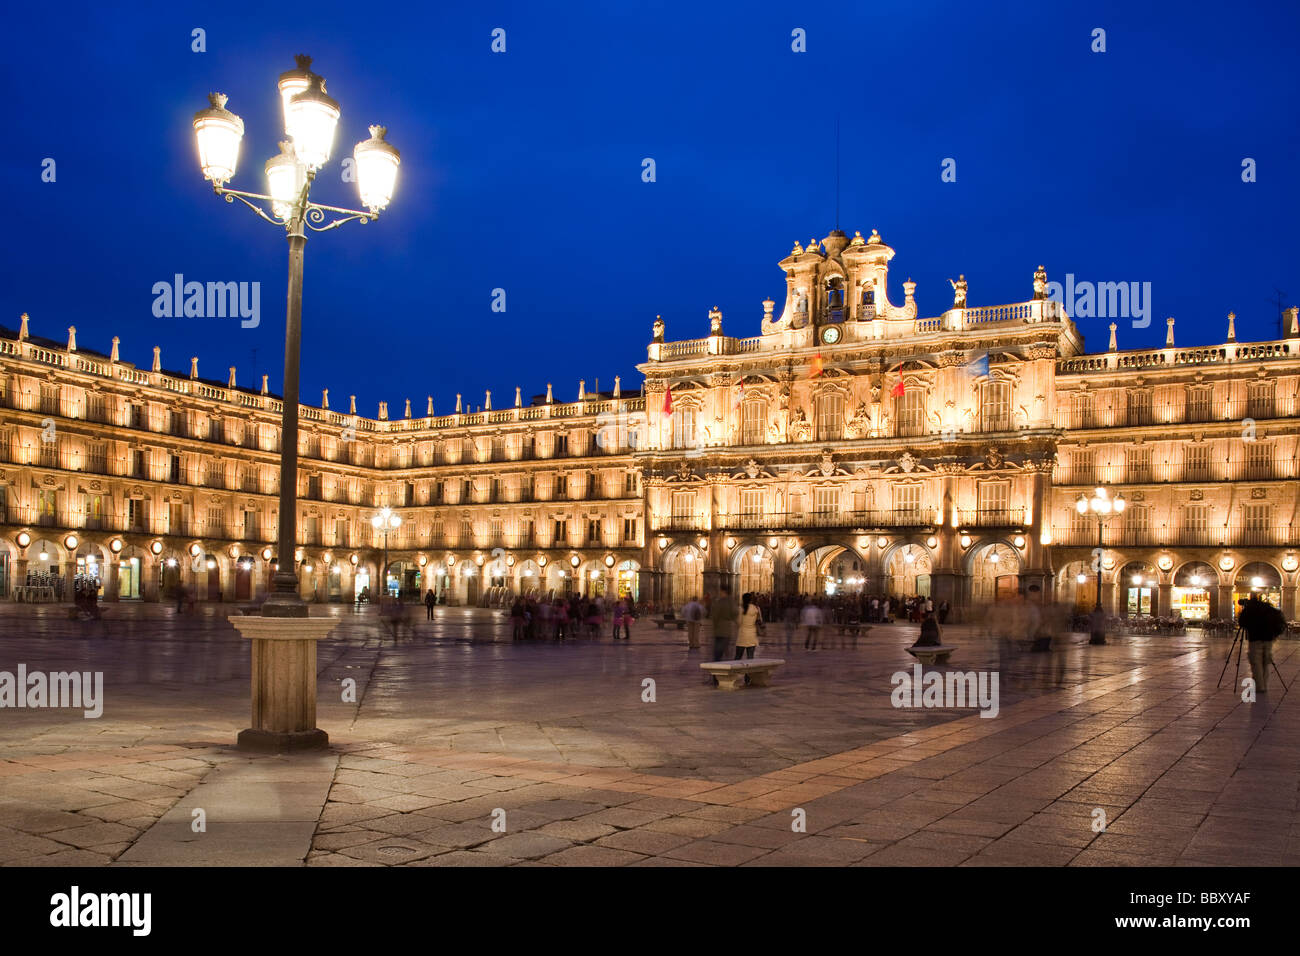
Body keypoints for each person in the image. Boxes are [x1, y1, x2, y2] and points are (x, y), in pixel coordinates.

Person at [1238, 594, 1284, 694]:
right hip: (1268, 639)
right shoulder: (1268, 609)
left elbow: (1241, 622)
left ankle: (1259, 686)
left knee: (1256, 662)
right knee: (1265, 661)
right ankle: (1264, 684)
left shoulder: (1251, 610)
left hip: (1255, 639)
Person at [709, 586, 737, 674]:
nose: (719, 593)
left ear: (724, 592)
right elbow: (735, 614)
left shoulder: (720, 602)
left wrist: (715, 627)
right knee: (725, 653)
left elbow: (714, 616)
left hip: (719, 631)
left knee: (717, 654)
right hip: (727, 631)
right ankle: (726, 672)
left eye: (720, 591)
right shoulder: (732, 602)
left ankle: (716, 676)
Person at [735, 592, 761, 660]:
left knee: (738, 656)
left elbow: (739, 622)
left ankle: (735, 670)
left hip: (742, 635)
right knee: (750, 658)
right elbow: (760, 620)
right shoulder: (756, 608)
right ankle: (749, 670)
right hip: (752, 635)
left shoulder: (741, 608)